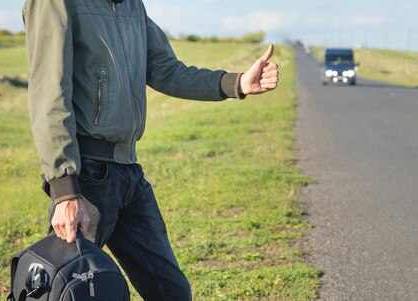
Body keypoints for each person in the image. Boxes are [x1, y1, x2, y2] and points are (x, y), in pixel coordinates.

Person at [22, 0, 279, 300]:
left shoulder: (132, 5)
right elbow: (49, 95)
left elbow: (166, 70)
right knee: (73, 289)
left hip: (128, 173)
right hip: (87, 179)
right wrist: (65, 190)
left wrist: (234, 83)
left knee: (170, 290)